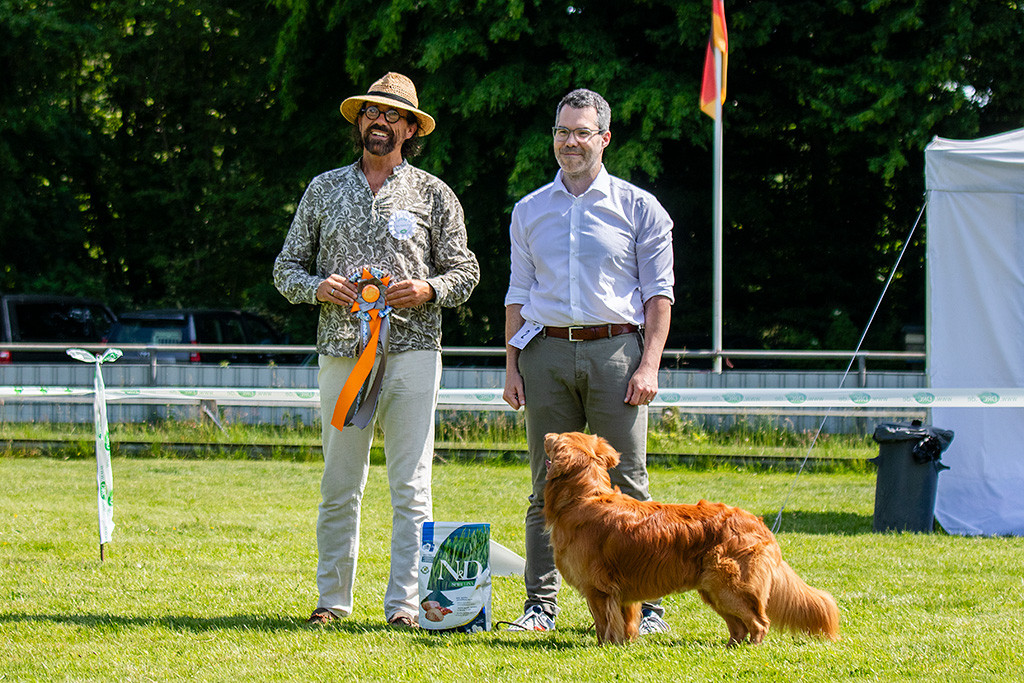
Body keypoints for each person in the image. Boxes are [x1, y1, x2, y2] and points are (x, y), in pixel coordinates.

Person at [274, 72, 479, 628]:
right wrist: (316, 286)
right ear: (359, 122)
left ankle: (406, 607)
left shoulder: (436, 194)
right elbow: (284, 269)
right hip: (342, 351)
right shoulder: (323, 189)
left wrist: (430, 288)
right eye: (371, 113)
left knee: (411, 484)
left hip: (414, 351)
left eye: (392, 115)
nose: (379, 122)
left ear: (412, 129)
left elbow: (466, 271)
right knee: (340, 482)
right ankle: (331, 602)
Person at [502, 88, 674, 634]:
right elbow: (516, 293)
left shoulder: (639, 207)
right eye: (561, 132)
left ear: (603, 138)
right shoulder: (529, 210)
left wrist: (648, 365)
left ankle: (647, 608)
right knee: (544, 487)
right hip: (545, 352)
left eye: (581, 132)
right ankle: (540, 607)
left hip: (616, 352)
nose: (570, 142)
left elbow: (659, 294)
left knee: (630, 485)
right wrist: (512, 367)